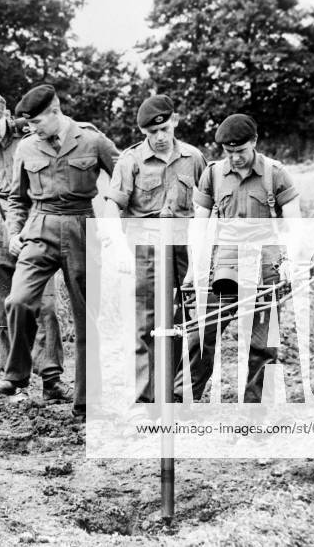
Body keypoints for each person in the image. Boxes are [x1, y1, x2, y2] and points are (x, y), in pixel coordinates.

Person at [0, 84, 119, 416]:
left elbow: (122, 176)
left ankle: (86, 402)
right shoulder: (27, 148)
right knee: (18, 299)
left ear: (55, 112)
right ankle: (17, 373)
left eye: (36, 122)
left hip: (82, 228)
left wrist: (113, 217)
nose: (31, 129)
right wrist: (13, 231)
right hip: (40, 227)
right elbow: (16, 198)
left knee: (86, 317)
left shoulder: (92, 140)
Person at [174, 113, 301, 403]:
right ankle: (181, 403)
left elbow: (295, 223)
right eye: (228, 152)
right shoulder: (213, 174)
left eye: (240, 151)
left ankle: (256, 414)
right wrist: (195, 266)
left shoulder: (275, 173)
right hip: (225, 264)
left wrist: (289, 260)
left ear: (254, 142)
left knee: (262, 345)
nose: (234, 158)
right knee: (201, 336)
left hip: (265, 264)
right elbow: (199, 224)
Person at [0, 90, 71, 403]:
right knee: (3, 308)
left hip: (32, 221)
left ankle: (51, 379)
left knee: (44, 305)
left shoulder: (31, 139)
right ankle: (15, 382)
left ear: (7, 115)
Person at [103, 94, 205, 404]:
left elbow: (206, 207)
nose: (159, 138)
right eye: (151, 133)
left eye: (164, 129)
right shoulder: (130, 160)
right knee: (146, 324)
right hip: (145, 250)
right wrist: (118, 249)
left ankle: (178, 393)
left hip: (185, 248)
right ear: (143, 133)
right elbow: (111, 209)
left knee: (193, 321)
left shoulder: (194, 158)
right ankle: (145, 401)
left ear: (175, 121)